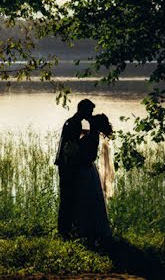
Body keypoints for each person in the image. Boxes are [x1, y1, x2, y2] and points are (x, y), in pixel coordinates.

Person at [54, 98, 94, 239]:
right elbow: (72, 146)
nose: (91, 113)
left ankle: (65, 228)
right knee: (68, 198)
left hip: (65, 165)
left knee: (68, 197)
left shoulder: (72, 121)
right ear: (83, 110)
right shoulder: (74, 124)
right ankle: (64, 230)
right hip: (68, 166)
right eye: (90, 110)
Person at [75, 113, 113, 242]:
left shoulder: (92, 136)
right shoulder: (92, 134)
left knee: (88, 199)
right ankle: (89, 230)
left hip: (86, 170)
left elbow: (90, 156)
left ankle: (88, 230)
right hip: (89, 170)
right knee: (90, 199)